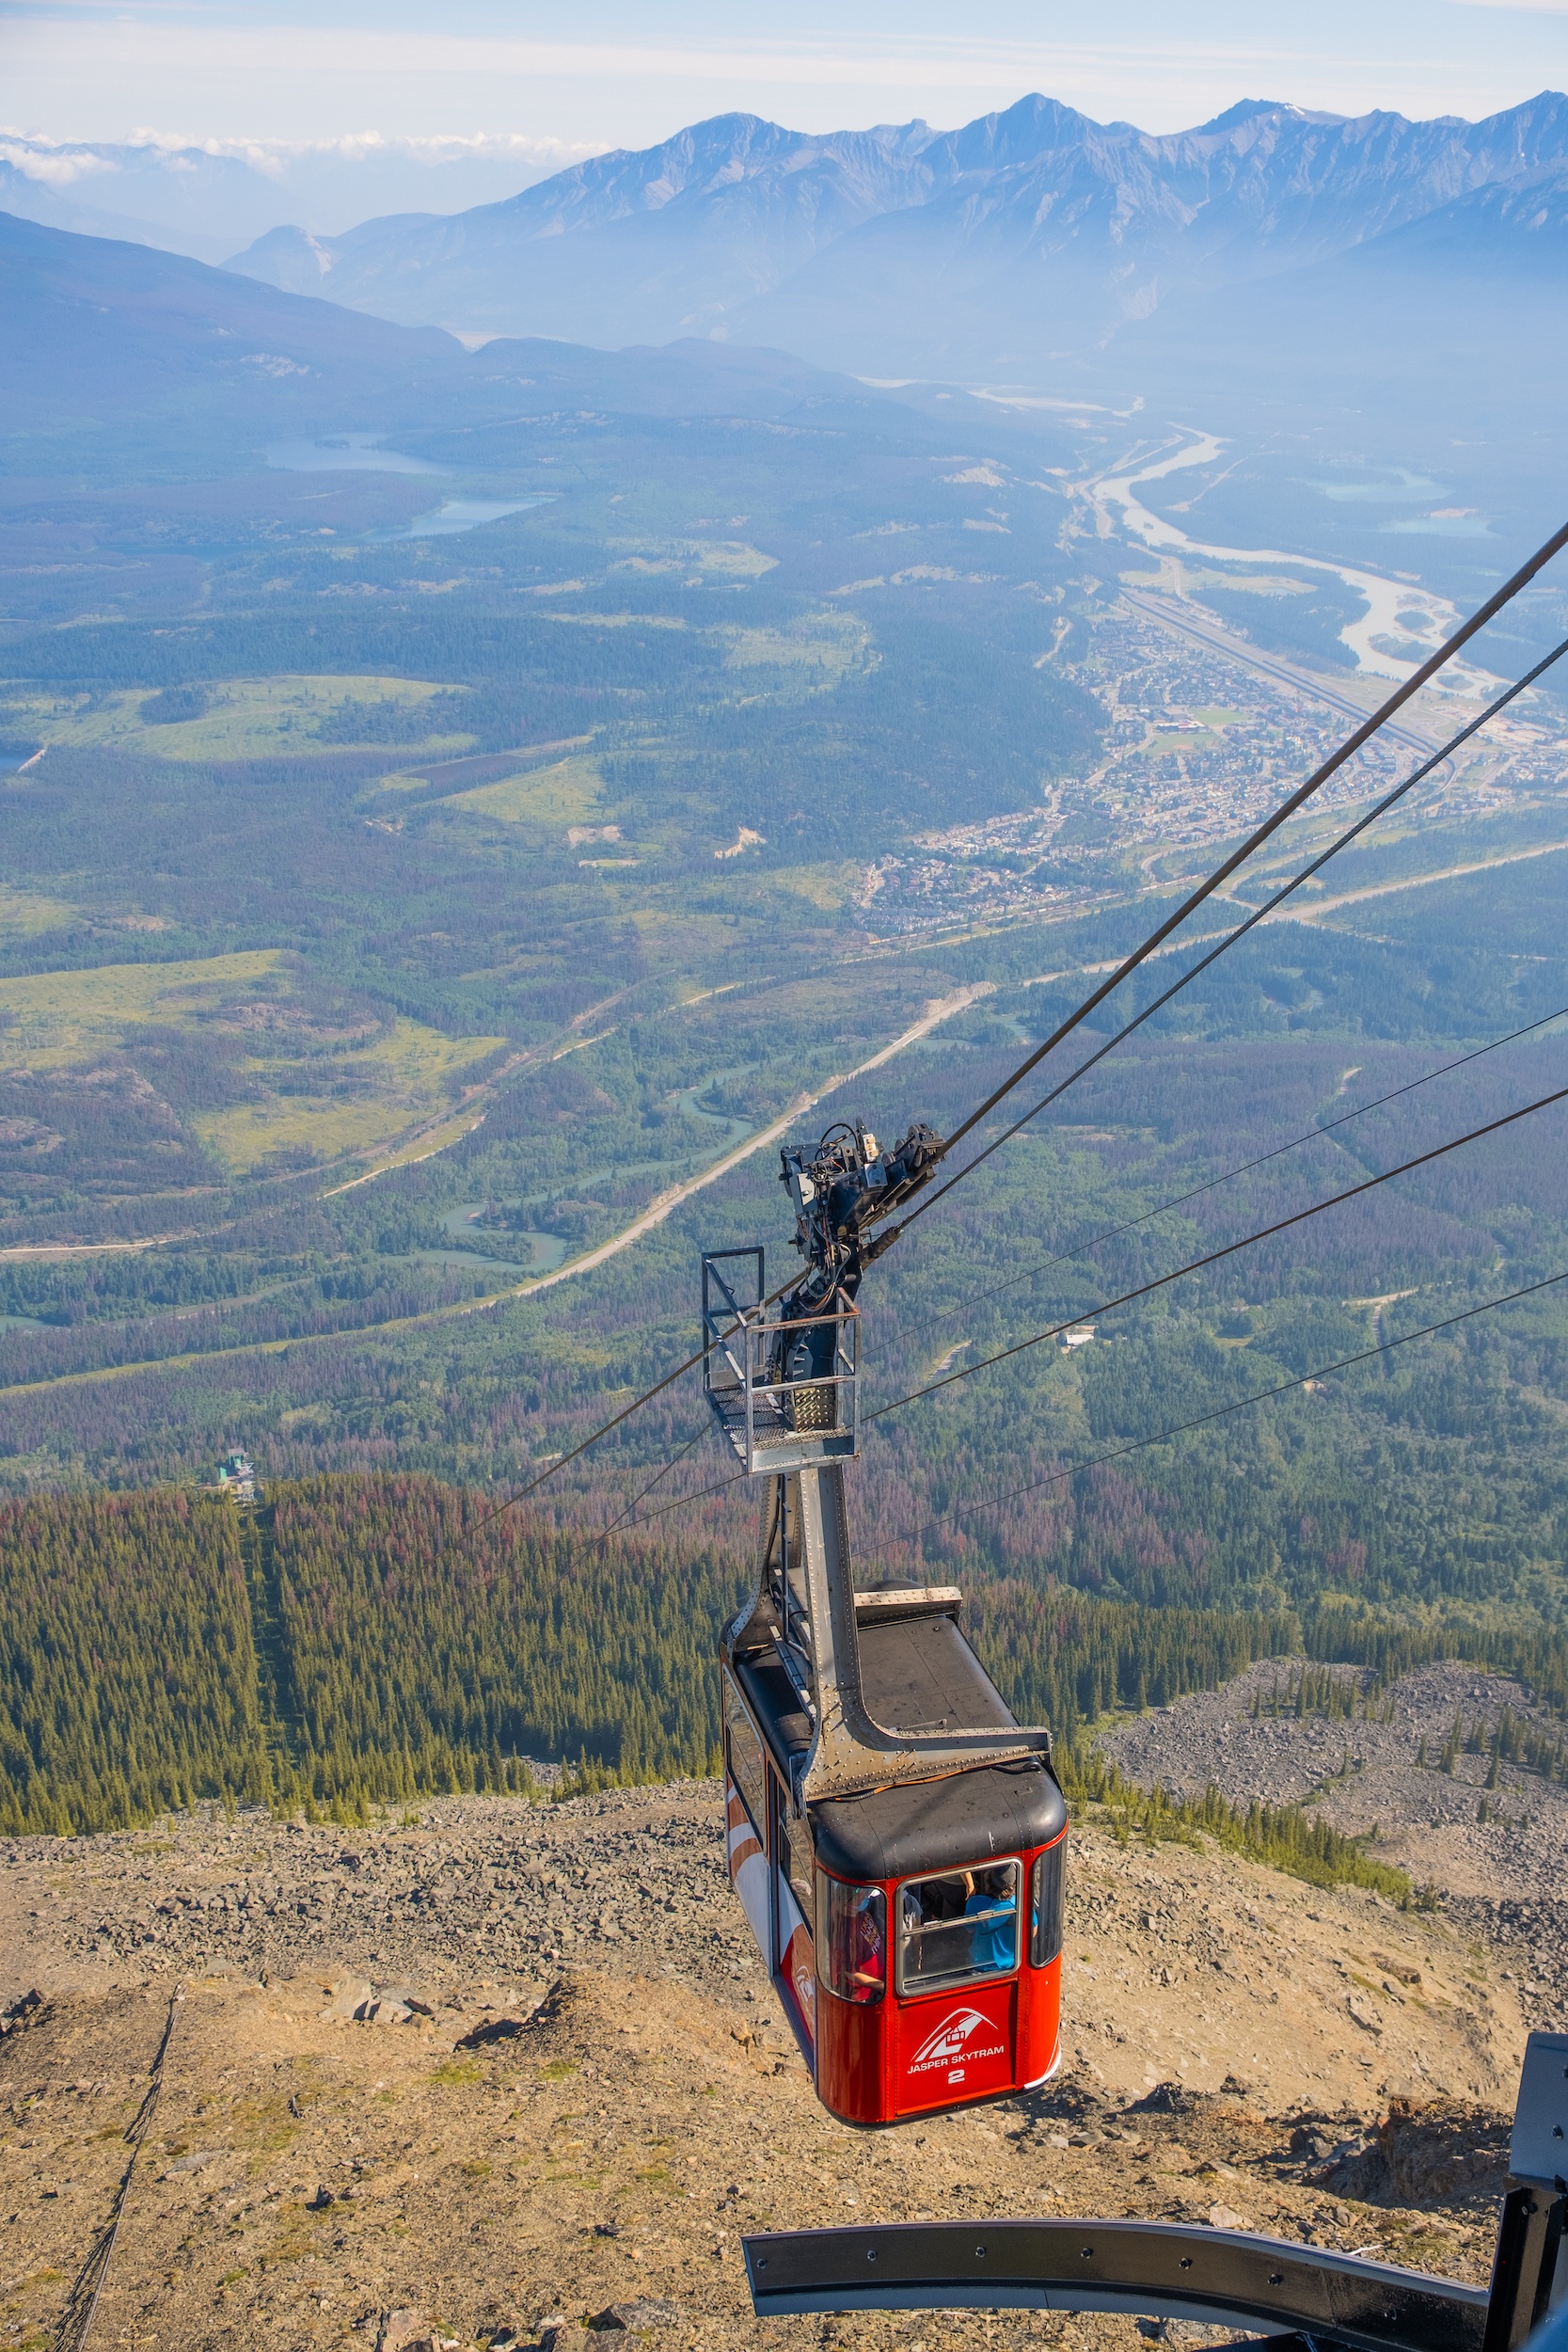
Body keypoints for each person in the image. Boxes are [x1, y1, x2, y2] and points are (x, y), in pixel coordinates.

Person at [963, 1866, 1017, 1974]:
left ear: (988, 1880)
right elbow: (1033, 1931)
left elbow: (969, 1930)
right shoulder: (1019, 1903)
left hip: (980, 1966)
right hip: (1011, 1965)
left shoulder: (974, 1902)